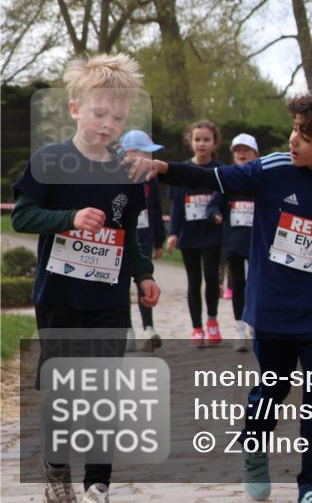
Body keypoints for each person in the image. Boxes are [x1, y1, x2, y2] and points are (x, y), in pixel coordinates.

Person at [127, 90, 312, 503]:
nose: (292, 140)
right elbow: (210, 178)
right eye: (293, 129)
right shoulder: (273, 170)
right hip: (273, 307)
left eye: (304, 135)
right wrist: (161, 167)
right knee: (273, 389)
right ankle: (254, 447)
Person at [13, 54, 161, 503]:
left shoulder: (127, 172)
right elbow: (22, 216)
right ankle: (56, 467)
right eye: (99, 113)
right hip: (59, 295)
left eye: (117, 117)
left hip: (109, 299)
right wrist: (69, 218)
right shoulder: (51, 160)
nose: (108, 124)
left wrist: (144, 275)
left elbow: (129, 236)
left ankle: (99, 483)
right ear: (75, 109)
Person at [167, 119, 224, 346]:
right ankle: (196, 327)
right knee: (193, 281)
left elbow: (224, 199)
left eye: (206, 139)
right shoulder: (182, 171)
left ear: (214, 143)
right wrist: (172, 233)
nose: (201, 144)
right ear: (190, 142)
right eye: (197, 139)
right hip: (189, 235)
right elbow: (177, 206)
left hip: (212, 233)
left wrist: (218, 214)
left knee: (211, 277)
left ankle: (212, 319)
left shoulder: (220, 170)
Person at [207, 133, 259, 352]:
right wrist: (215, 213)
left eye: (246, 150)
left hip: (258, 244)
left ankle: (256, 326)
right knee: (238, 285)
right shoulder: (228, 181)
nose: (241, 153)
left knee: (258, 287)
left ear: (256, 154)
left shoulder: (262, 180)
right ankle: (239, 329)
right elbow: (212, 205)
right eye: (237, 150)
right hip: (235, 244)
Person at [119, 129, 166, 352]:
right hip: (121, 239)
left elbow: (155, 210)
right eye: (146, 154)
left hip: (145, 237)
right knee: (120, 285)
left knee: (145, 282)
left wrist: (159, 241)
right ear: (129, 152)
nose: (150, 158)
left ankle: (149, 328)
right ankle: (127, 329)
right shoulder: (116, 176)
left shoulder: (151, 179)